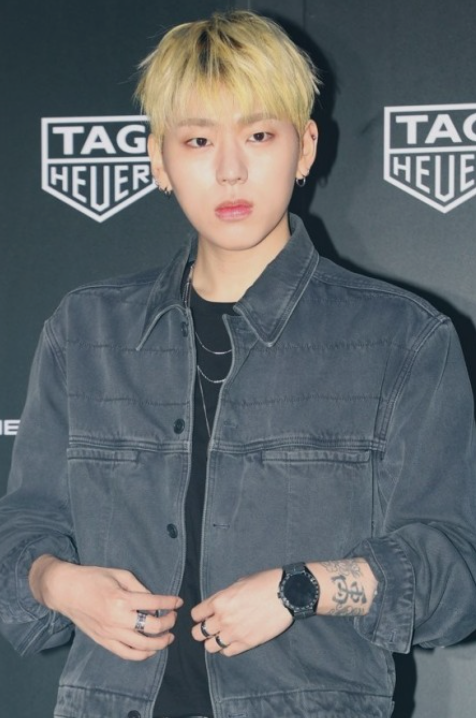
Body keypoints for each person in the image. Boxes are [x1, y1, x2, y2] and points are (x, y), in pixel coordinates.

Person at [1, 10, 476, 718]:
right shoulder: (85, 330)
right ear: (159, 160)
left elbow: (457, 581)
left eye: (259, 135)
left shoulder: (402, 338)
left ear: (305, 147)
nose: (230, 169)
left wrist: (304, 588)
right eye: (198, 140)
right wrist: (60, 584)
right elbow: (21, 533)